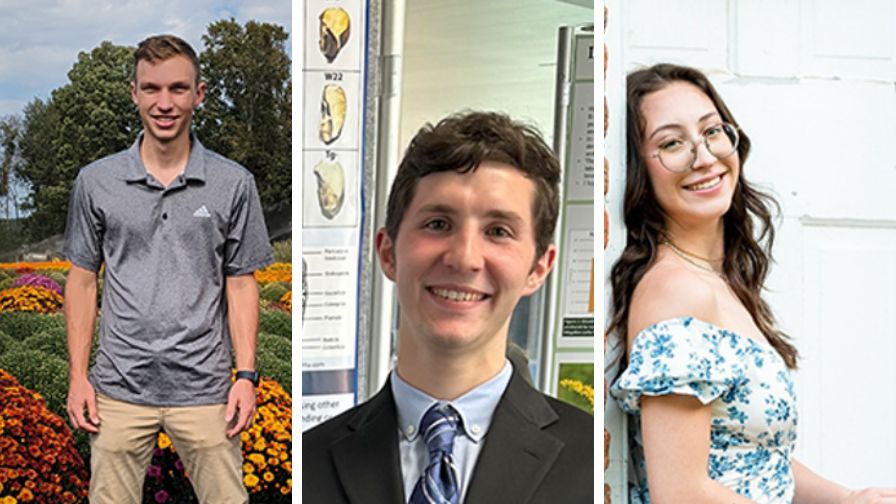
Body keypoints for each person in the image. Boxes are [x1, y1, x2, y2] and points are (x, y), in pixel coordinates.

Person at [608, 63, 896, 504]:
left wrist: (850, 498)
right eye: (671, 143)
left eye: (711, 132)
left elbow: (754, 458)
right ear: (639, 171)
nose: (703, 157)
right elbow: (681, 493)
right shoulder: (675, 291)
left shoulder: (717, 281)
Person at [303, 111, 594, 503]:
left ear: (538, 267)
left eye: (498, 232)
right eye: (438, 224)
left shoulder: (593, 463)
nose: (465, 258)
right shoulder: (310, 462)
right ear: (388, 252)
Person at [63, 34, 273, 503]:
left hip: (207, 388)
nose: (165, 103)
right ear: (134, 93)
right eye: (152, 89)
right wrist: (79, 377)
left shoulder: (233, 183)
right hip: (118, 388)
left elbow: (241, 283)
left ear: (199, 94)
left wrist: (246, 376)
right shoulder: (96, 182)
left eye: (178, 88)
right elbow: (81, 280)